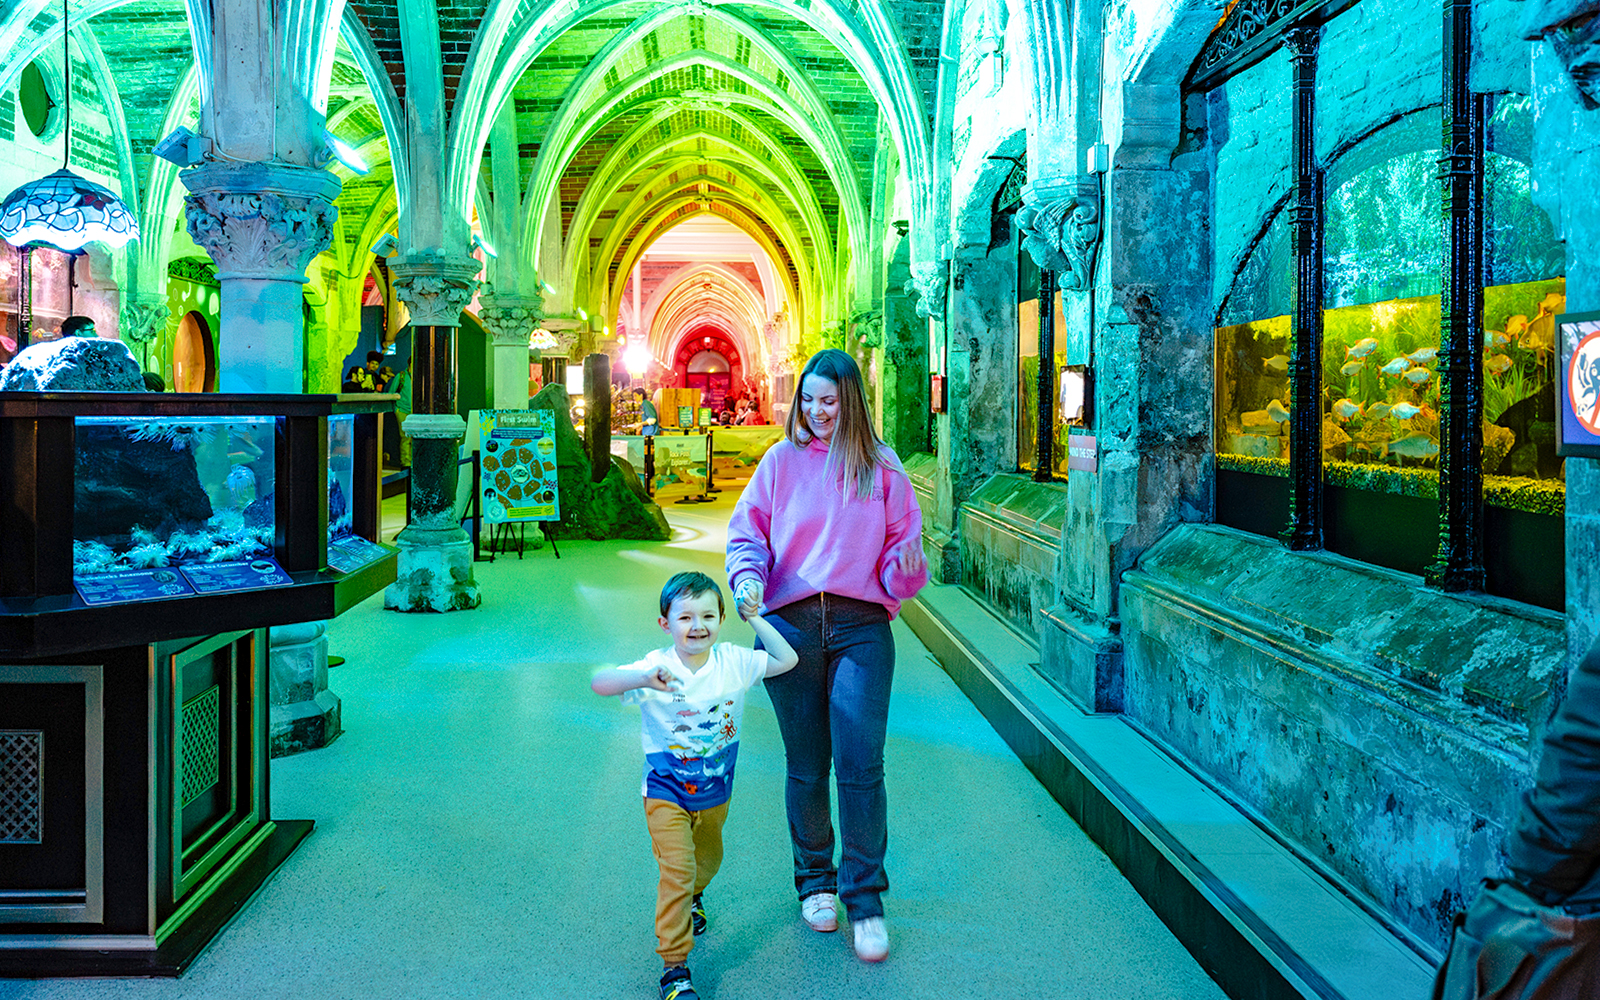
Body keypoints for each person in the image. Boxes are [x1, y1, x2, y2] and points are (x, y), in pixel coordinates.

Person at [724, 348, 927, 963]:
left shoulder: (882, 468)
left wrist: (906, 568)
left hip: (862, 627)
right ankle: (816, 882)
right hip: (788, 630)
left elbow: (902, 555)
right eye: (808, 400)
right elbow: (747, 532)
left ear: (852, 402)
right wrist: (747, 579)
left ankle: (864, 901)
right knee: (807, 764)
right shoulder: (780, 461)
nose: (816, 411)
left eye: (829, 401)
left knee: (861, 764)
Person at [592, 571, 799, 1000]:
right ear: (664, 623)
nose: (697, 625)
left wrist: (756, 618)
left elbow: (787, 659)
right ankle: (674, 968)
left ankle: (696, 894)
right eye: (684, 617)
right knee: (677, 871)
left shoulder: (734, 662)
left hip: (715, 792)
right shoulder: (657, 667)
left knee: (706, 861)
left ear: (722, 619)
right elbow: (601, 682)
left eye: (708, 615)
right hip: (665, 790)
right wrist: (642, 679)